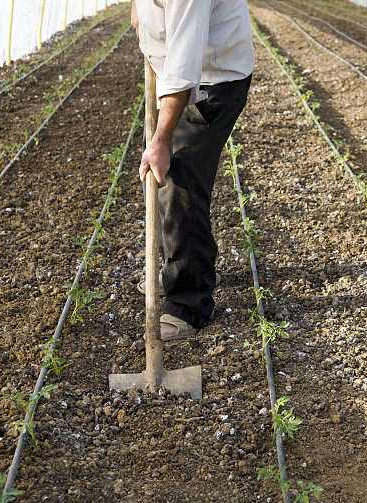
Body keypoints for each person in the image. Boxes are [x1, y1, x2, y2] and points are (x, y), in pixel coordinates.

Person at [131, 0, 254, 340]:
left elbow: (185, 69)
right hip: (172, 70)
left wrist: (160, 142)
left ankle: (188, 302)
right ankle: (178, 266)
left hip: (210, 81)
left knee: (176, 179)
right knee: (160, 173)